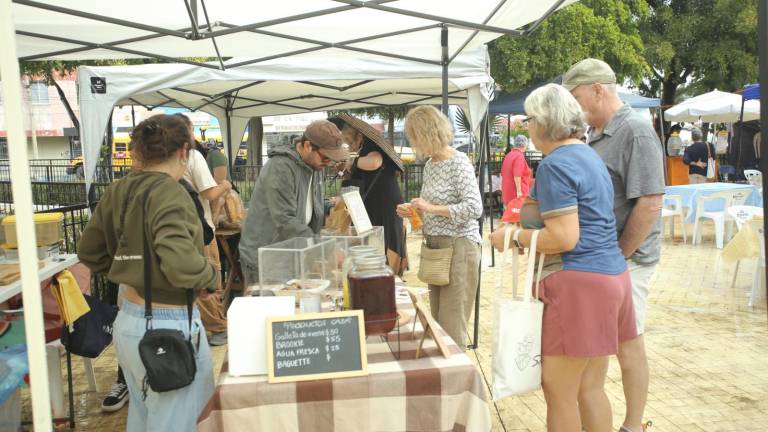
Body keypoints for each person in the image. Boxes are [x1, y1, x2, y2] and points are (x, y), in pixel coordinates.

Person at [490, 83, 636, 432]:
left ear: (542, 121)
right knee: (590, 388)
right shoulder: (589, 156)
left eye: (528, 119)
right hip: (611, 276)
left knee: (559, 392)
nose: (527, 127)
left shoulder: (556, 164)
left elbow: (565, 237)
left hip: (577, 282)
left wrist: (511, 236)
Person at [78, 114, 217, 432]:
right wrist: (211, 277)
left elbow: (89, 252)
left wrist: (131, 270)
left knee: (144, 418)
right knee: (179, 421)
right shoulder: (171, 192)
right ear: (184, 151)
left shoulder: (118, 189)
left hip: (129, 321)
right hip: (168, 327)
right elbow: (181, 265)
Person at [564, 58, 665, 432]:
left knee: (628, 343)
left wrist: (620, 255)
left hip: (630, 258)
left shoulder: (635, 131)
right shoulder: (595, 133)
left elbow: (651, 201)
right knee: (607, 344)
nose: (574, 108)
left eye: (576, 98)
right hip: (608, 259)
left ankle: (633, 425)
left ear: (597, 90)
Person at [396, 106, 482, 349]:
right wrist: (413, 209)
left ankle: (457, 380)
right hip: (437, 250)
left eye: (413, 136)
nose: (412, 142)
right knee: (438, 321)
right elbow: (430, 205)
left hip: (459, 249)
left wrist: (431, 208)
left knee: (452, 325)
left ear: (425, 134)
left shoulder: (459, 162)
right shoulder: (431, 165)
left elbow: (474, 208)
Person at [239, 120, 347, 285]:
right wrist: (325, 249)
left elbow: (307, 204)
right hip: (266, 255)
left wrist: (329, 207)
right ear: (308, 145)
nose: (328, 163)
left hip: (290, 253)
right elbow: (285, 219)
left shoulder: (314, 165)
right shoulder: (280, 167)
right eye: (326, 158)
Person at [174, 114, 233, 346]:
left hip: (175, 233)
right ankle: (218, 328)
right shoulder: (192, 156)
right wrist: (225, 185)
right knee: (208, 278)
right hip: (200, 230)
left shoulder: (158, 161)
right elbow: (209, 193)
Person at [328, 114, 407, 275]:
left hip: (384, 203)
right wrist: (347, 168)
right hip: (375, 202)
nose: (350, 146)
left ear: (353, 136)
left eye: (349, 142)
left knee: (386, 240)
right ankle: (380, 270)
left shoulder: (371, 145)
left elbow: (374, 162)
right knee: (376, 239)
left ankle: (389, 272)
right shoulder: (364, 148)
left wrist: (353, 163)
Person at [501, 134, 532, 207]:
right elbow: (517, 175)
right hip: (516, 194)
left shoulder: (508, 155)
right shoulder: (519, 156)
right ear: (525, 145)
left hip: (507, 192)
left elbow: (503, 173)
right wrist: (519, 191)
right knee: (518, 217)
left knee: (509, 215)